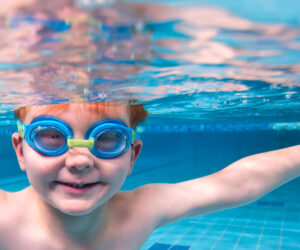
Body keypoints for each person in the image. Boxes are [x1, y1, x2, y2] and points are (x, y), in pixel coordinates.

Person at [0, 101, 299, 250]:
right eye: (51, 136)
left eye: (108, 138)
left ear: (133, 155)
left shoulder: (141, 211)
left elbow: (239, 183)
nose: (80, 161)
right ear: (21, 151)